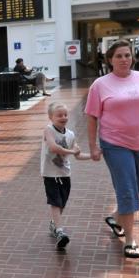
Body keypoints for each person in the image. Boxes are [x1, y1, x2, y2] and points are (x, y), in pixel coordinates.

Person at [85, 39, 139, 260]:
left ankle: (116, 217)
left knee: (136, 187)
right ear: (110, 60)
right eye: (119, 56)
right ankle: (131, 239)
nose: (124, 59)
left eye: (127, 55)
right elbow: (92, 117)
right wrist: (93, 146)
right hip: (114, 143)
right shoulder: (100, 85)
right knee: (126, 188)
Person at [41, 102, 89, 251]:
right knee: (55, 201)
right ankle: (60, 232)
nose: (63, 117)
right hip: (50, 173)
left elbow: (78, 155)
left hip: (65, 174)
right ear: (51, 117)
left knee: (62, 202)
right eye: (59, 115)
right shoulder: (48, 130)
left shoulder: (70, 135)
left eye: (65, 115)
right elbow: (54, 147)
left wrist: (94, 155)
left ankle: (54, 224)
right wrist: (72, 152)